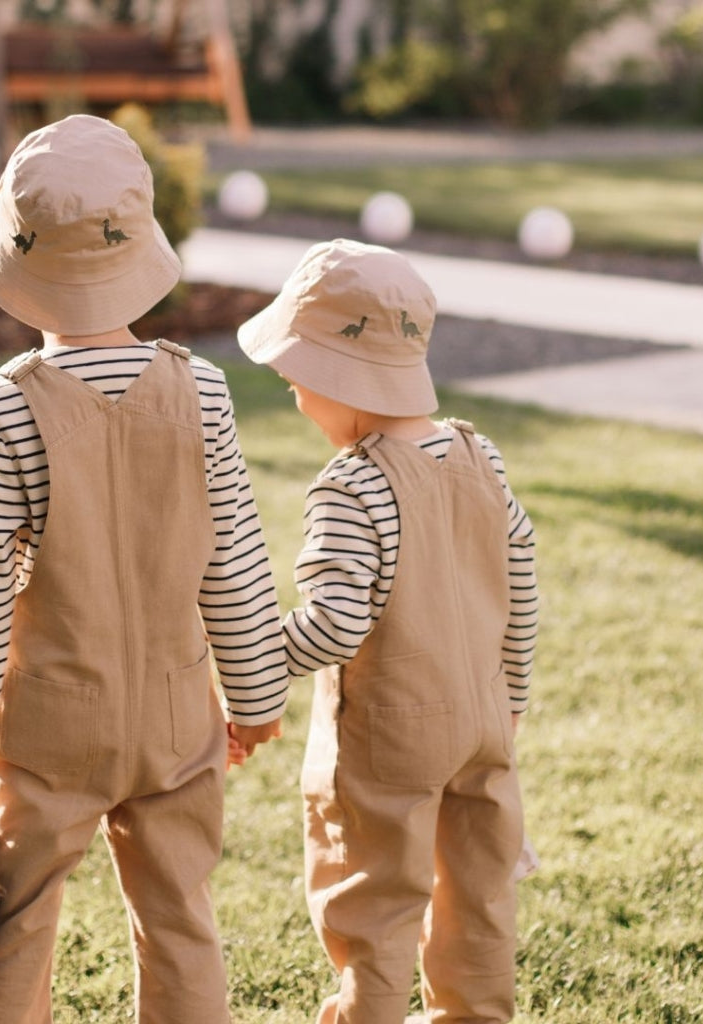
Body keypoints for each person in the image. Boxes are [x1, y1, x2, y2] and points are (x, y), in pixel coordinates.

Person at [0, 114, 287, 1024]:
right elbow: (235, 560)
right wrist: (255, 696)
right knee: (181, 920)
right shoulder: (202, 390)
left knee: (14, 921)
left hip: (49, 730)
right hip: (177, 719)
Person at [236, 238, 538, 1024]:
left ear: (339, 379)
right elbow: (521, 577)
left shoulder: (354, 483)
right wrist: (511, 696)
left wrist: (255, 655)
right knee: (478, 897)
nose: (299, 403)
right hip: (483, 724)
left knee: (374, 906)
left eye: (298, 386)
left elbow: (336, 624)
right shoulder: (480, 455)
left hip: (388, 739)